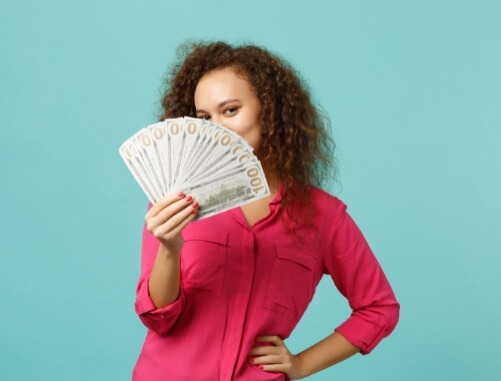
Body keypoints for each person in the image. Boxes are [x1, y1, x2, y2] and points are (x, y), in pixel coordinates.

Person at [132, 41, 400, 381]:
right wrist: (169, 247)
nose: (215, 128)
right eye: (204, 117)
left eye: (230, 110)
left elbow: (379, 309)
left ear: (269, 110)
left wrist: (302, 364)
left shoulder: (323, 216)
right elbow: (159, 318)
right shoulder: (173, 199)